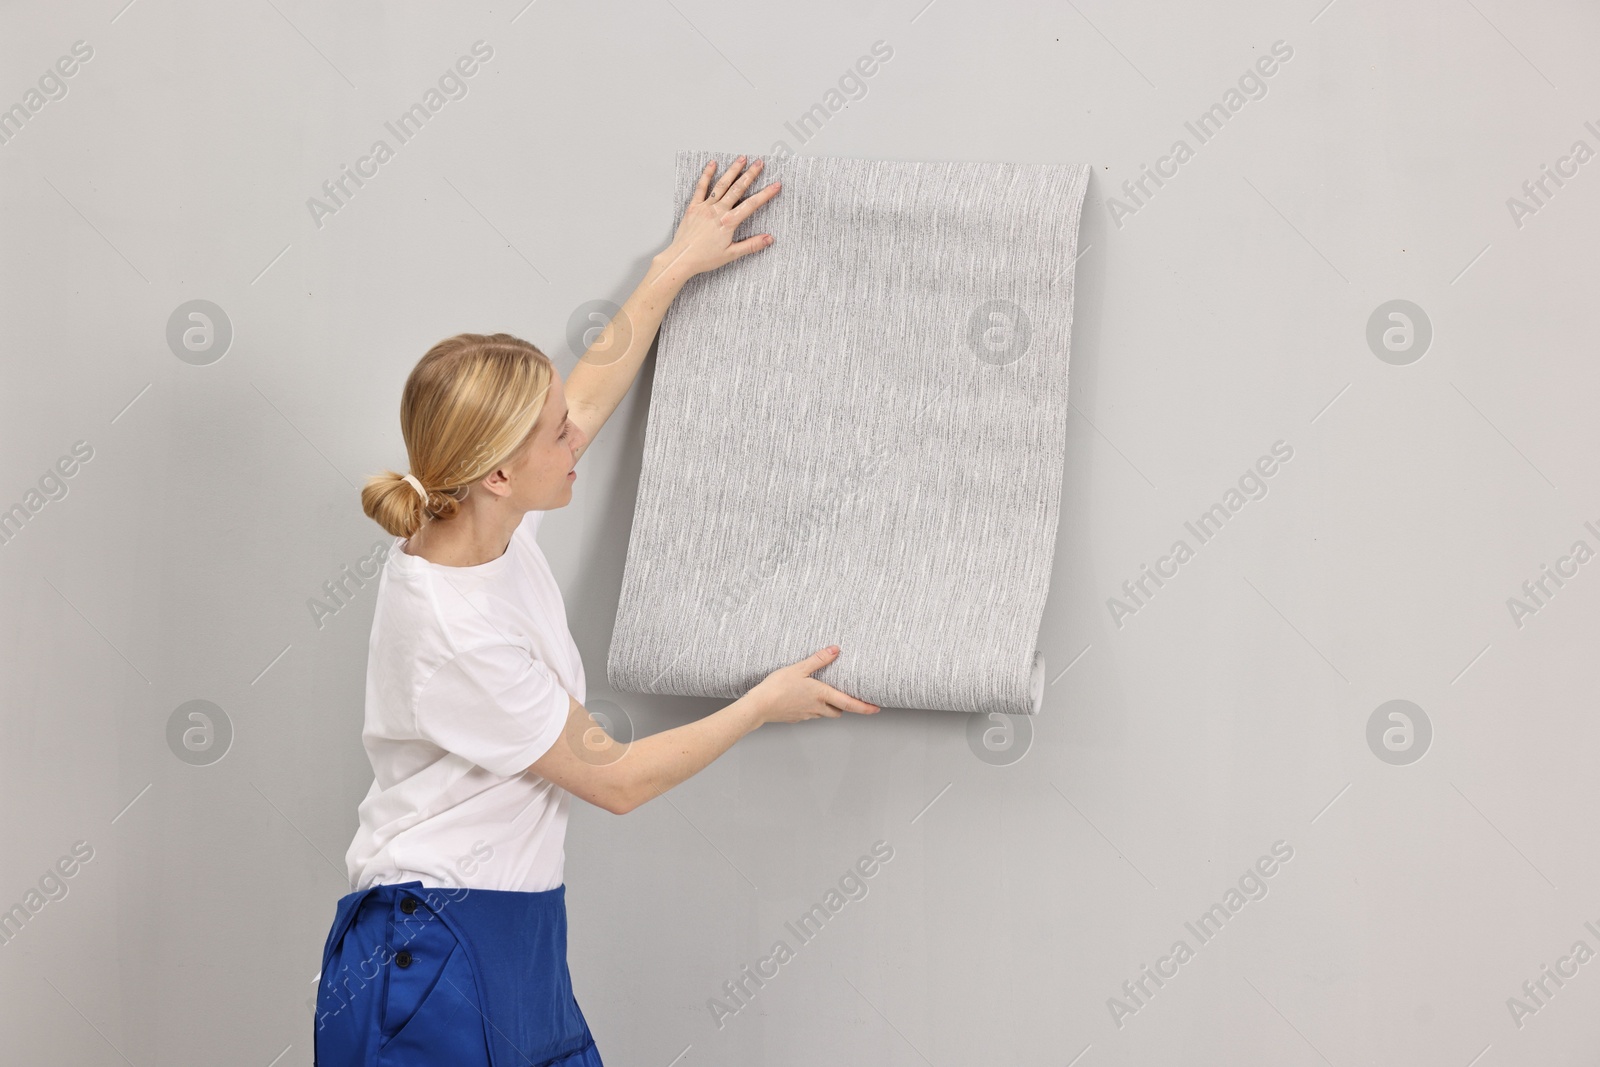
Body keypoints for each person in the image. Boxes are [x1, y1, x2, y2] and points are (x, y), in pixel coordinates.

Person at [312, 155, 881, 1067]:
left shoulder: (485, 523)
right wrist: (758, 705)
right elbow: (616, 781)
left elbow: (590, 388)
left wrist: (677, 262)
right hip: (428, 955)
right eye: (555, 435)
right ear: (500, 471)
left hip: (515, 937)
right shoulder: (456, 633)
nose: (575, 433)